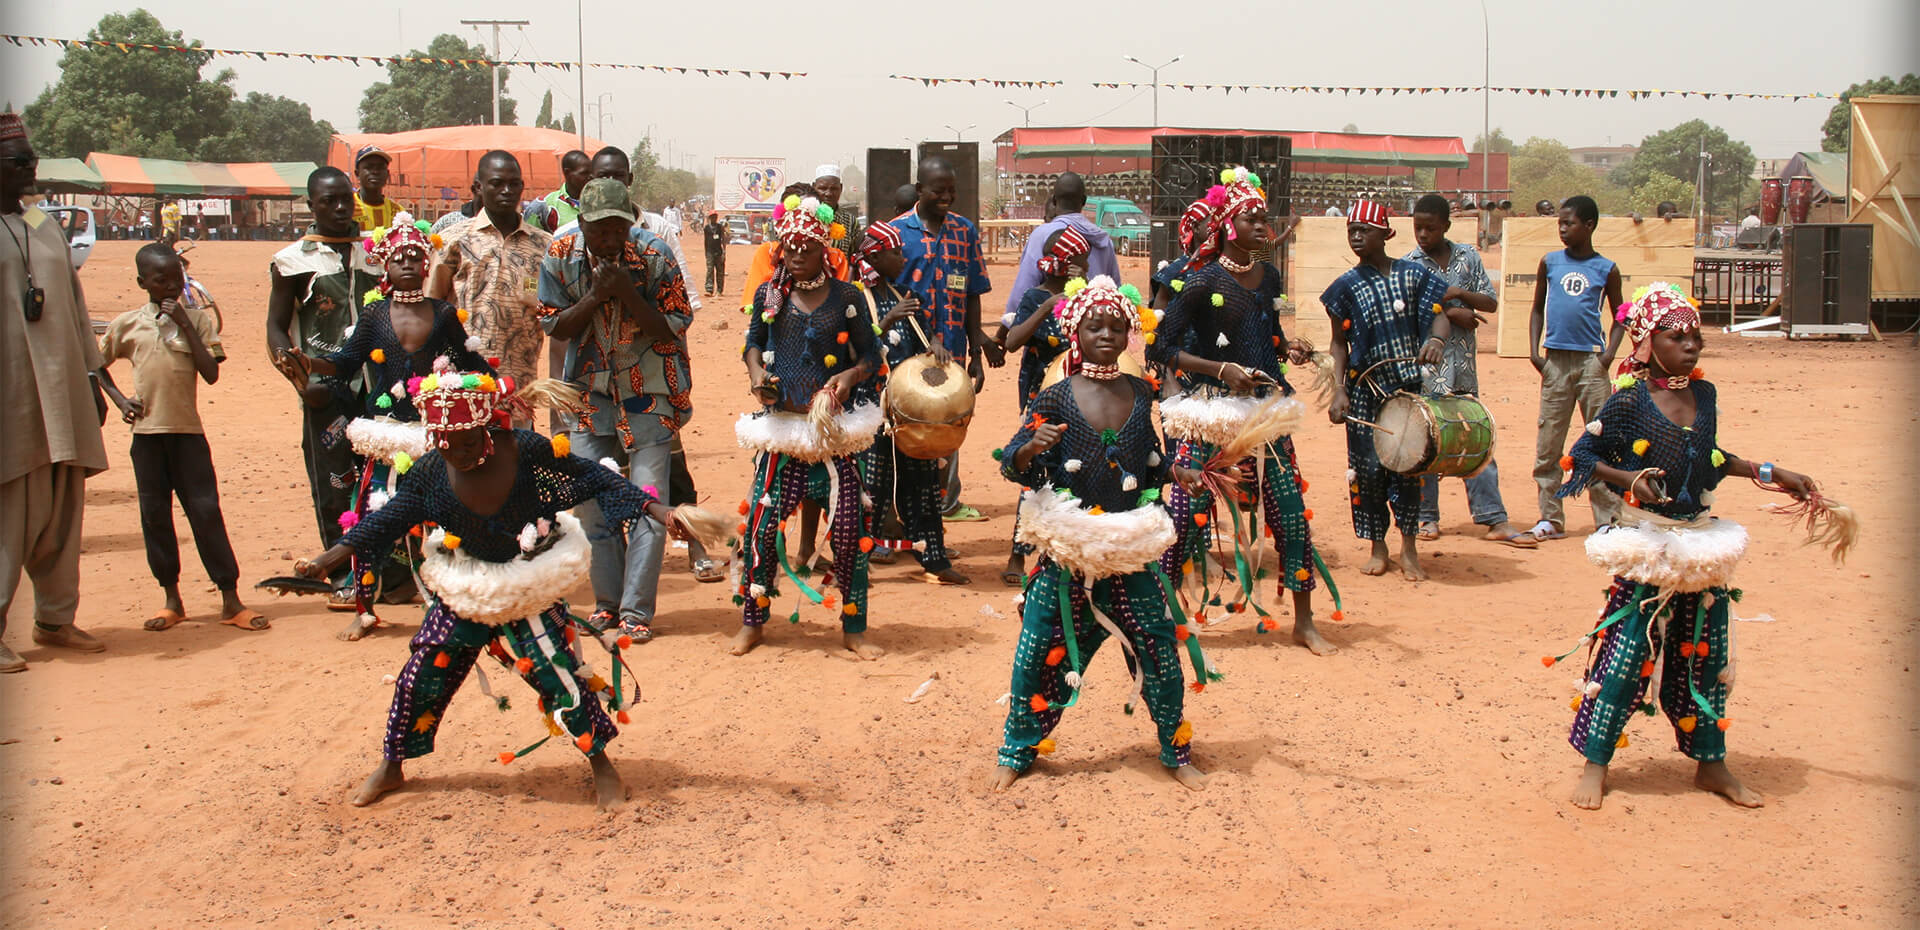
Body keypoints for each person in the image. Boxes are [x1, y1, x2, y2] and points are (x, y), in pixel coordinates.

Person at [294, 366, 685, 810]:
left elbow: (593, 477)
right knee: (422, 675)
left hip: (526, 584)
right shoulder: (428, 472)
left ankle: (600, 764)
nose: (456, 453)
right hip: (466, 587)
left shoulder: (526, 451)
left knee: (558, 673)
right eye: (446, 444)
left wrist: (656, 509)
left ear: (486, 428)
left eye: (466, 442)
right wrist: (325, 560)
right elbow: (388, 519)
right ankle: (393, 763)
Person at [1551, 281, 1828, 811]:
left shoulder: (1706, 395)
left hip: (1699, 547)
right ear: (1649, 341)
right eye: (1679, 336)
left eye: (1696, 336)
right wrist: (1629, 478)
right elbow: (1582, 456)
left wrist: (1771, 472)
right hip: (1648, 548)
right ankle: (1595, 765)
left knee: (1707, 658)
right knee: (1624, 659)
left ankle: (1712, 766)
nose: (1692, 344)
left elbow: (1710, 458)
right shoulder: (1628, 401)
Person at [992, 276, 1211, 791]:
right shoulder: (1056, 397)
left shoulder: (1140, 390)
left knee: (1159, 650)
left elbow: (1152, 463)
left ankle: (1175, 751)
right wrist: (1030, 448)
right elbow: (1013, 465)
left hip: (1131, 553)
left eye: (1117, 326)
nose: (1107, 334)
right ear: (1076, 332)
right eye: (1095, 326)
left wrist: (1181, 475)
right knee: (1036, 653)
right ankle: (1017, 750)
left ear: (1130, 332)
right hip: (1071, 555)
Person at [1151, 170, 1340, 653]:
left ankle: (1304, 622)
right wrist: (1223, 369)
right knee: (1186, 513)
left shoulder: (1270, 275)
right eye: (1251, 219)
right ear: (1228, 227)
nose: (1263, 225)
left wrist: (1284, 350)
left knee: (1291, 516)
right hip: (1209, 413)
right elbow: (1163, 348)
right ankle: (1164, 622)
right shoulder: (1201, 281)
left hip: (1265, 414)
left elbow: (1267, 333)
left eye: (1264, 218)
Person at [285, 214, 492, 639]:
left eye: (416, 258)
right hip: (386, 432)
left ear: (427, 263)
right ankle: (364, 608)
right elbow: (343, 364)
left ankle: (447, 608)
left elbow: (472, 367)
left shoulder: (444, 313)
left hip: (436, 436)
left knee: (442, 523)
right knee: (371, 518)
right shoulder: (374, 316)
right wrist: (310, 364)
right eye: (400, 258)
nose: (409, 266)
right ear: (385, 265)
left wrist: (498, 388)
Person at [539, 178, 697, 642]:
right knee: (593, 506)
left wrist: (628, 294)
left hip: (648, 392)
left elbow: (673, 328)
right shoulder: (561, 254)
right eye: (600, 230)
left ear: (630, 222)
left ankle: (636, 613)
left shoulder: (654, 256)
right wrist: (596, 296)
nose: (610, 239)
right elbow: (555, 326)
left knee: (649, 504)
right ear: (582, 223)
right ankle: (607, 605)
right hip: (588, 395)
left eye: (618, 229)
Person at [734, 193, 883, 658]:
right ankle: (752, 621)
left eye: (807, 247)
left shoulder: (847, 297)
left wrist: (849, 376)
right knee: (761, 531)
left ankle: (853, 629)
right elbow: (753, 344)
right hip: (784, 435)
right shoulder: (769, 296)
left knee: (849, 535)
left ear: (826, 251)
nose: (797, 255)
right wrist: (758, 376)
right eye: (790, 247)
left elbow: (872, 355)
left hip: (834, 439)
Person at [96, 243, 264, 633]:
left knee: (205, 512)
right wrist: (121, 400)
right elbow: (95, 366)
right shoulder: (128, 324)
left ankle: (230, 598)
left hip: (188, 434)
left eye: (177, 278)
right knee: (155, 516)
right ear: (143, 283)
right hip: (147, 437)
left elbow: (210, 373)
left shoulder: (199, 321)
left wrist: (186, 325)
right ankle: (172, 599)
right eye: (161, 280)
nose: (171, 286)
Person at [0, 112, 111, 671]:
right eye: (17, 161)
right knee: (11, 513)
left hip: (63, 389)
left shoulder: (44, 225)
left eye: (30, 158)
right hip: (13, 397)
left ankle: (55, 618)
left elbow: (74, 304)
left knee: (63, 507)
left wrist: (93, 377)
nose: (30, 168)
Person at [1325, 199, 1465, 580]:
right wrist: (1340, 390)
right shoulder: (1343, 288)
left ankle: (1409, 547)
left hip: (1406, 390)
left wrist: (1436, 341)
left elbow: (1441, 318)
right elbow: (1339, 344)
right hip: (1364, 392)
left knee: (1407, 469)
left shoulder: (1414, 276)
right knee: (1367, 471)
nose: (1356, 236)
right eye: (1351, 230)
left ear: (1384, 233)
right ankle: (1378, 547)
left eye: (1363, 230)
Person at [268, 166, 382, 610]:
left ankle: (387, 574)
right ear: (311, 204)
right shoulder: (293, 260)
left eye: (344, 200)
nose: (338, 208)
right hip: (325, 389)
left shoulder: (376, 251)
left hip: (377, 387)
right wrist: (300, 380)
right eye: (327, 201)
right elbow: (277, 328)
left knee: (382, 480)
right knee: (336, 481)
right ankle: (341, 576)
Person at [1404, 194, 1534, 549]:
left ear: (1447, 226)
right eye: (1418, 227)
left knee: (1474, 436)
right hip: (1427, 371)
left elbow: (1490, 301)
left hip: (1462, 370)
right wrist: (1452, 315)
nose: (1423, 234)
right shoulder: (1409, 264)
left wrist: (1459, 293)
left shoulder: (1468, 257)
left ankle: (1493, 517)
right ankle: (1425, 516)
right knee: (1426, 441)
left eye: (1430, 228)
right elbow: (1408, 317)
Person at [894, 156, 1003, 528]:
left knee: (947, 432)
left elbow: (972, 293)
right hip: (906, 360)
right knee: (904, 437)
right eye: (939, 190)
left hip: (953, 356)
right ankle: (902, 520)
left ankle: (939, 514)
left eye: (952, 190)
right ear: (920, 189)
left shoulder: (965, 231)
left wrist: (976, 353)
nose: (947, 197)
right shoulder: (896, 233)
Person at [1526, 194, 1625, 541]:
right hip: (1554, 362)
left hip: (1591, 364)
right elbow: (1537, 308)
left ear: (1589, 226)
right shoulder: (1550, 263)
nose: (1563, 230)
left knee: (1600, 441)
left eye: (1569, 224)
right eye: (1560, 224)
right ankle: (1550, 518)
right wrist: (1535, 353)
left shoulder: (1605, 268)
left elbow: (1620, 314)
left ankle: (1607, 519)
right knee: (1548, 443)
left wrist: (1607, 356)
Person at [430, 150, 552, 415]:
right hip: (462, 375)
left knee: (515, 450)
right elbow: (432, 306)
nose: (506, 190)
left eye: (514, 183)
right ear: (478, 187)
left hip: (520, 380)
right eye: (497, 183)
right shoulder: (453, 241)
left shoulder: (543, 245)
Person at [997, 227, 1087, 585]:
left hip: (1081, 396)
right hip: (1043, 397)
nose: (1086, 267)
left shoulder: (1085, 296)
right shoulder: (1036, 297)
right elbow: (1014, 341)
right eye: (1081, 261)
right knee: (1035, 471)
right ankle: (1017, 554)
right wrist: (1049, 306)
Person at [1003, 172, 1121, 324]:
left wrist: (1007, 327)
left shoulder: (1041, 235)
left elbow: (1024, 288)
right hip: (1092, 333)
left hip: (1049, 334)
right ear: (1084, 201)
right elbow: (1115, 291)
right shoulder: (1104, 240)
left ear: (1054, 200)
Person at [742, 183, 851, 311]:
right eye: (795, 210)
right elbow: (756, 309)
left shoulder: (835, 259)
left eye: (809, 211)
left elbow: (842, 310)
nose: (802, 217)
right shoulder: (769, 253)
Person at [524, 150, 592, 233]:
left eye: (591, 172)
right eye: (584, 173)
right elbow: (528, 241)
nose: (590, 177)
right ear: (567, 173)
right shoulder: (544, 205)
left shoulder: (600, 202)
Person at [813, 165, 863, 272]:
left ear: (841, 188)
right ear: (814, 187)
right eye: (822, 188)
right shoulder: (806, 216)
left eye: (834, 189)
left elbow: (854, 259)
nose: (828, 194)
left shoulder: (851, 221)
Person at [352, 146, 406, 233]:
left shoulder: (398, 212)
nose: (375, 172)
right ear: (357, 173)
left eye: (380, 167)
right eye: (369, 167)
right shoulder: (348, 208)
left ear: (387, 174)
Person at [703, 211, 727, 296]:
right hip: (710, 252)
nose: (714, 218)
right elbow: (705, 241)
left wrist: (724, 252)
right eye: (712, 217)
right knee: (710, 271)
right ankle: (709, 289)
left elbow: (723, 239)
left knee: (720, 272)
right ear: (709, 218)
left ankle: (719, 290)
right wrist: (706, 252)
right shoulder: (706, 228)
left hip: (719, 252)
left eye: (715, 216)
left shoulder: (720, 227)